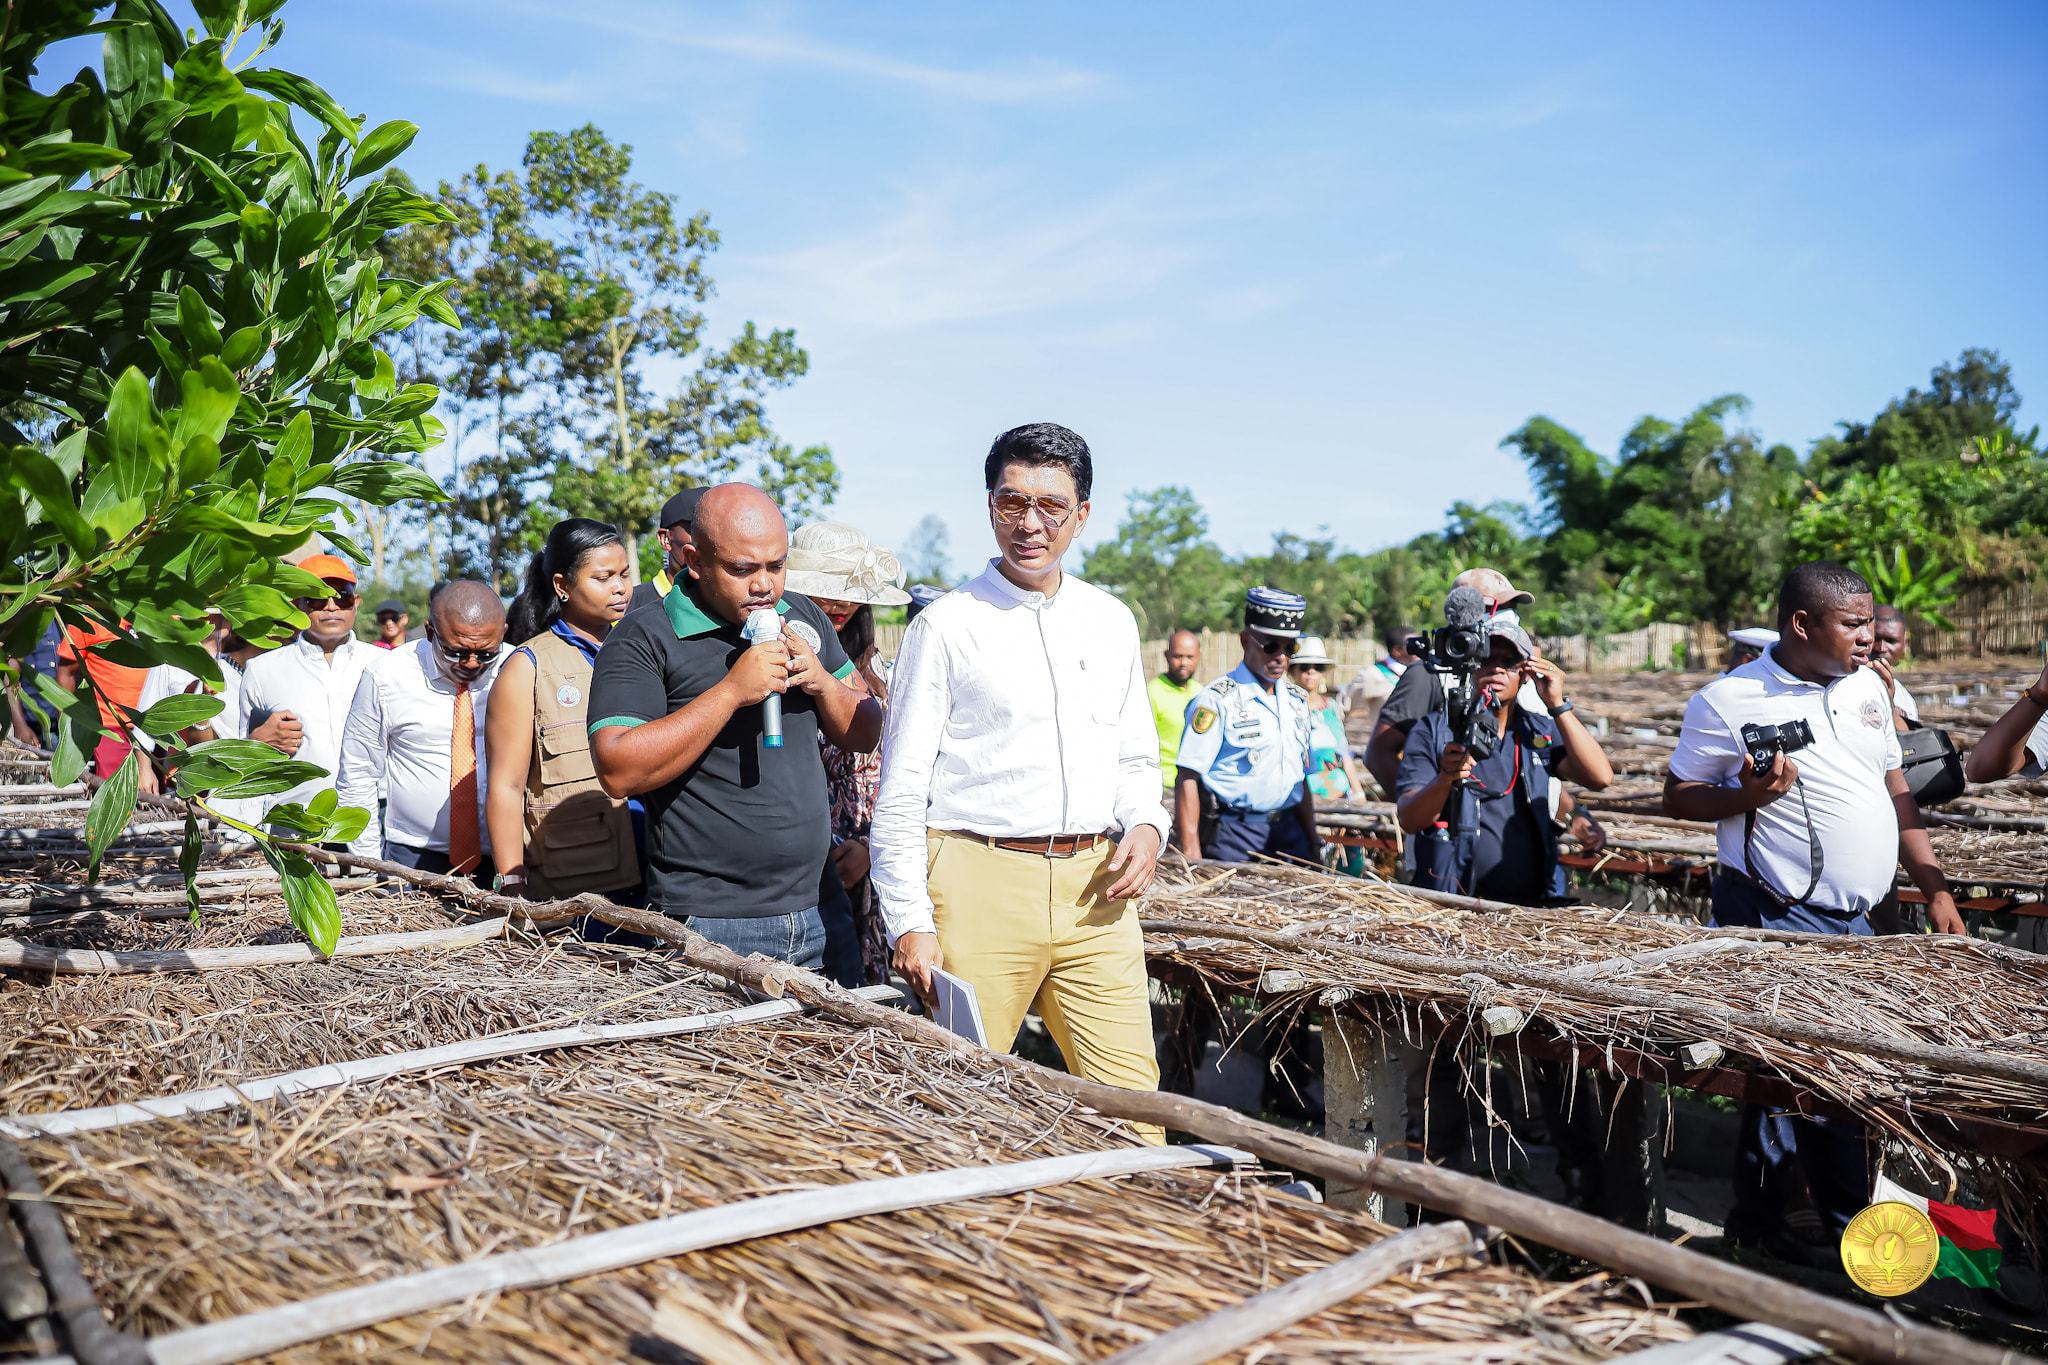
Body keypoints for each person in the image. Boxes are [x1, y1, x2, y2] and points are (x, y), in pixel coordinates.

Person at [871, 423, 1168, 1134]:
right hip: (977, 880)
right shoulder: (945, 626)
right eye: (1011, 503)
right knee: (958, 1107)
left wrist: (1149, 824)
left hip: (1098, 890)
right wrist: (909, 920)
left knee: (1136, 1105)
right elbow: (901, 785)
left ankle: (1129, 1236)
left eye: (1050, 506)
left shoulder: (1111, 621)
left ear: (1082, 515)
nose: (1029, 524)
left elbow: (1135, 759)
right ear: (990, 505)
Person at [1665, 560, 1963, 1262]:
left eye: (1868, 622)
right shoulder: (1731, 699)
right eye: (1854, 623)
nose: (1871, 637)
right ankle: (1828, 1240)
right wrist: (1750, 797)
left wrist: (1935, 885)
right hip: (1779, 916)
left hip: (1858, 918)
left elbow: (1896, 786)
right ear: (1803, 624)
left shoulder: (1867, 689)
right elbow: (1679, 795)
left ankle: (1773, 1225)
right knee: (1804, 1084)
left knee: (1815, 1083)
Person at [589, 484, 881, 967]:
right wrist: (729, 693)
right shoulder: (643, 635)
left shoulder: (802, 616)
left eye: (777, 566)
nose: (764, 585)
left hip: (821, 907)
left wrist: (823, 683)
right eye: (743, 569)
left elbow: (867, 729)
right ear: (693, 559)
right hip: (709, 921)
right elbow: (618, 769)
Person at [1397, 613, 1614, 899]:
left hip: (1528, 910)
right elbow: (1410, 820)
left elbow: (1600, 778)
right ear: (1470, 665)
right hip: (1452, 905)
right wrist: (1444, 781)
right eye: (1486, 658)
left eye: (1509, 661)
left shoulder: (1539, 731)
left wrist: (1557, 704)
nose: (1497, 668)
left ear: (1525, 673)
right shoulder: (1435, 731)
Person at [485, 519, 641, 905]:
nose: (620, 587)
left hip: (661, 867)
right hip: (577, 879)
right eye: (603, 577)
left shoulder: (644, 646)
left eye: (624, 574)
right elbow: (506, 786)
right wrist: (512, 884)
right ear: (562, 585)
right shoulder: (529, 667)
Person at [786, 521, 910, 987]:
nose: (840, 603)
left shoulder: (879, 668)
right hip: (803, 855)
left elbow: (903, 770)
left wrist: (870, 849)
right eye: (826, 592)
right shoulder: (773, 660)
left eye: (851, 592)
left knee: (866, 990)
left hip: (870, 852)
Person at [336, 582, 508, 876]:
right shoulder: (387, 676)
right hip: (412, 858)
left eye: (486, 654)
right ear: (430, 633)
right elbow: (358, 771)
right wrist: (368, 864)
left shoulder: (517, 668)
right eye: (455, 652)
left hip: (504, 855)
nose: (471, 663)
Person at [1173, 588, 1319, 866]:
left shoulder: (1297, 701)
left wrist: (1312, 839)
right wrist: (1191, 854)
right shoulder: (1217, 700)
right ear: (1245, 641)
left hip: (1289, 831)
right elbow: (1188, 776)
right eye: (1271, 646)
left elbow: (1301, 777)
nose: (1281, 657)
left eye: (1290, 648)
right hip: (1235, 834)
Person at [1363, 568, 1535, 797]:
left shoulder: (1518, 667)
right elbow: (1379, 754)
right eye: (1498, 608)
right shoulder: (1432, 672)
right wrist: (1426, 814)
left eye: (1512, 608)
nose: (1509, 616)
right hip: (1454, 821)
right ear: (1463, 612)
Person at [237, 553, 375, 826]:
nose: (332, 606)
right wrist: (257, 743)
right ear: (296, 605)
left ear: (355, 603)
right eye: (317, 598)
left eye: (342, 596)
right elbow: (244, 755)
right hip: (292, 823)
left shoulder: (382, 665)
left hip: (370, 824)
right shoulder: (262, 670)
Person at [135, 612, 273, 836]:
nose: (217, 622)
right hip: (186, 773)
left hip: (242, 772)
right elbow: (145, 719)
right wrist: (144, 769)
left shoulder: (251, 659)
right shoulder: (171, 660)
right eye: (208, 615)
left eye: (223, 615)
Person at [54, 618, 155, 787]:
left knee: (161, 797)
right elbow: (66, 674)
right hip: (110, 726)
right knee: (117, 794)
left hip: (155, 725)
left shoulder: (163, 617)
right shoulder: (89, 618)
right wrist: (70, 731)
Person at [1294, 636, 1364, 803]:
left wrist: (1358, 791)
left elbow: (1343, 753)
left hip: (1337, 790)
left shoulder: (1331, 707)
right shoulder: (1287, 708)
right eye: (1304, 667)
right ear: (1292, 671)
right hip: (1302, 794)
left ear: (1323, 673)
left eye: (1318, 667)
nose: (1311, 672)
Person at [627, 488, 706, 614]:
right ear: (665, 539)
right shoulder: (629, 605)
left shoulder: (735, 603)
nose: (708, 539)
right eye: (695, 529)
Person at [1147, 629, 1204, 801]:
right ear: (1166, 655)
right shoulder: (1152, 694)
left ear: (1199, 656)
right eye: (1177, 656)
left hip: (1197, 785)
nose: (1183, 663)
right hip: (1165, 789)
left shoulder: (1201, 693)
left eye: (1189, 657)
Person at [1870, 605, 1917, 727]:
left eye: (1890, 641)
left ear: (1904, 645)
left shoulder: (1905, 699)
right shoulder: (1843, 686)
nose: (1881, 648)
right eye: (1875, 639)